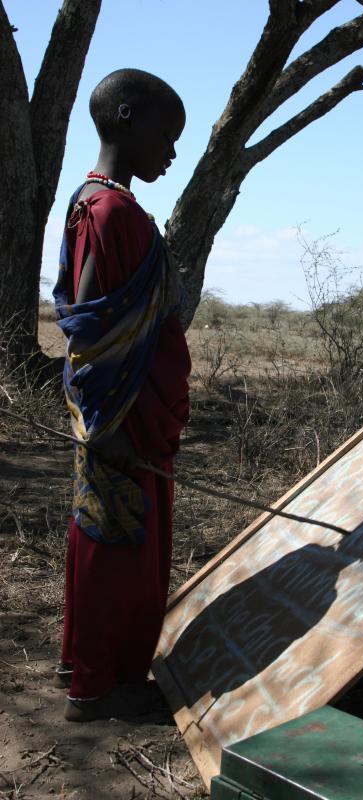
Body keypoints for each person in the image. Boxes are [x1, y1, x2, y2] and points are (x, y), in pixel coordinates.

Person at [52, 68, 191, 722]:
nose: (171, 151)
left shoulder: (106, 204)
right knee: (121, 550)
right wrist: (100, 416)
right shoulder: (106, 210)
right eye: (167, 136)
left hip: (132, 408)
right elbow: (89, 324)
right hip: (124, 414)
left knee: (112, 541)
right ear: (128, 118)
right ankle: (101, 688)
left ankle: (87, 665)